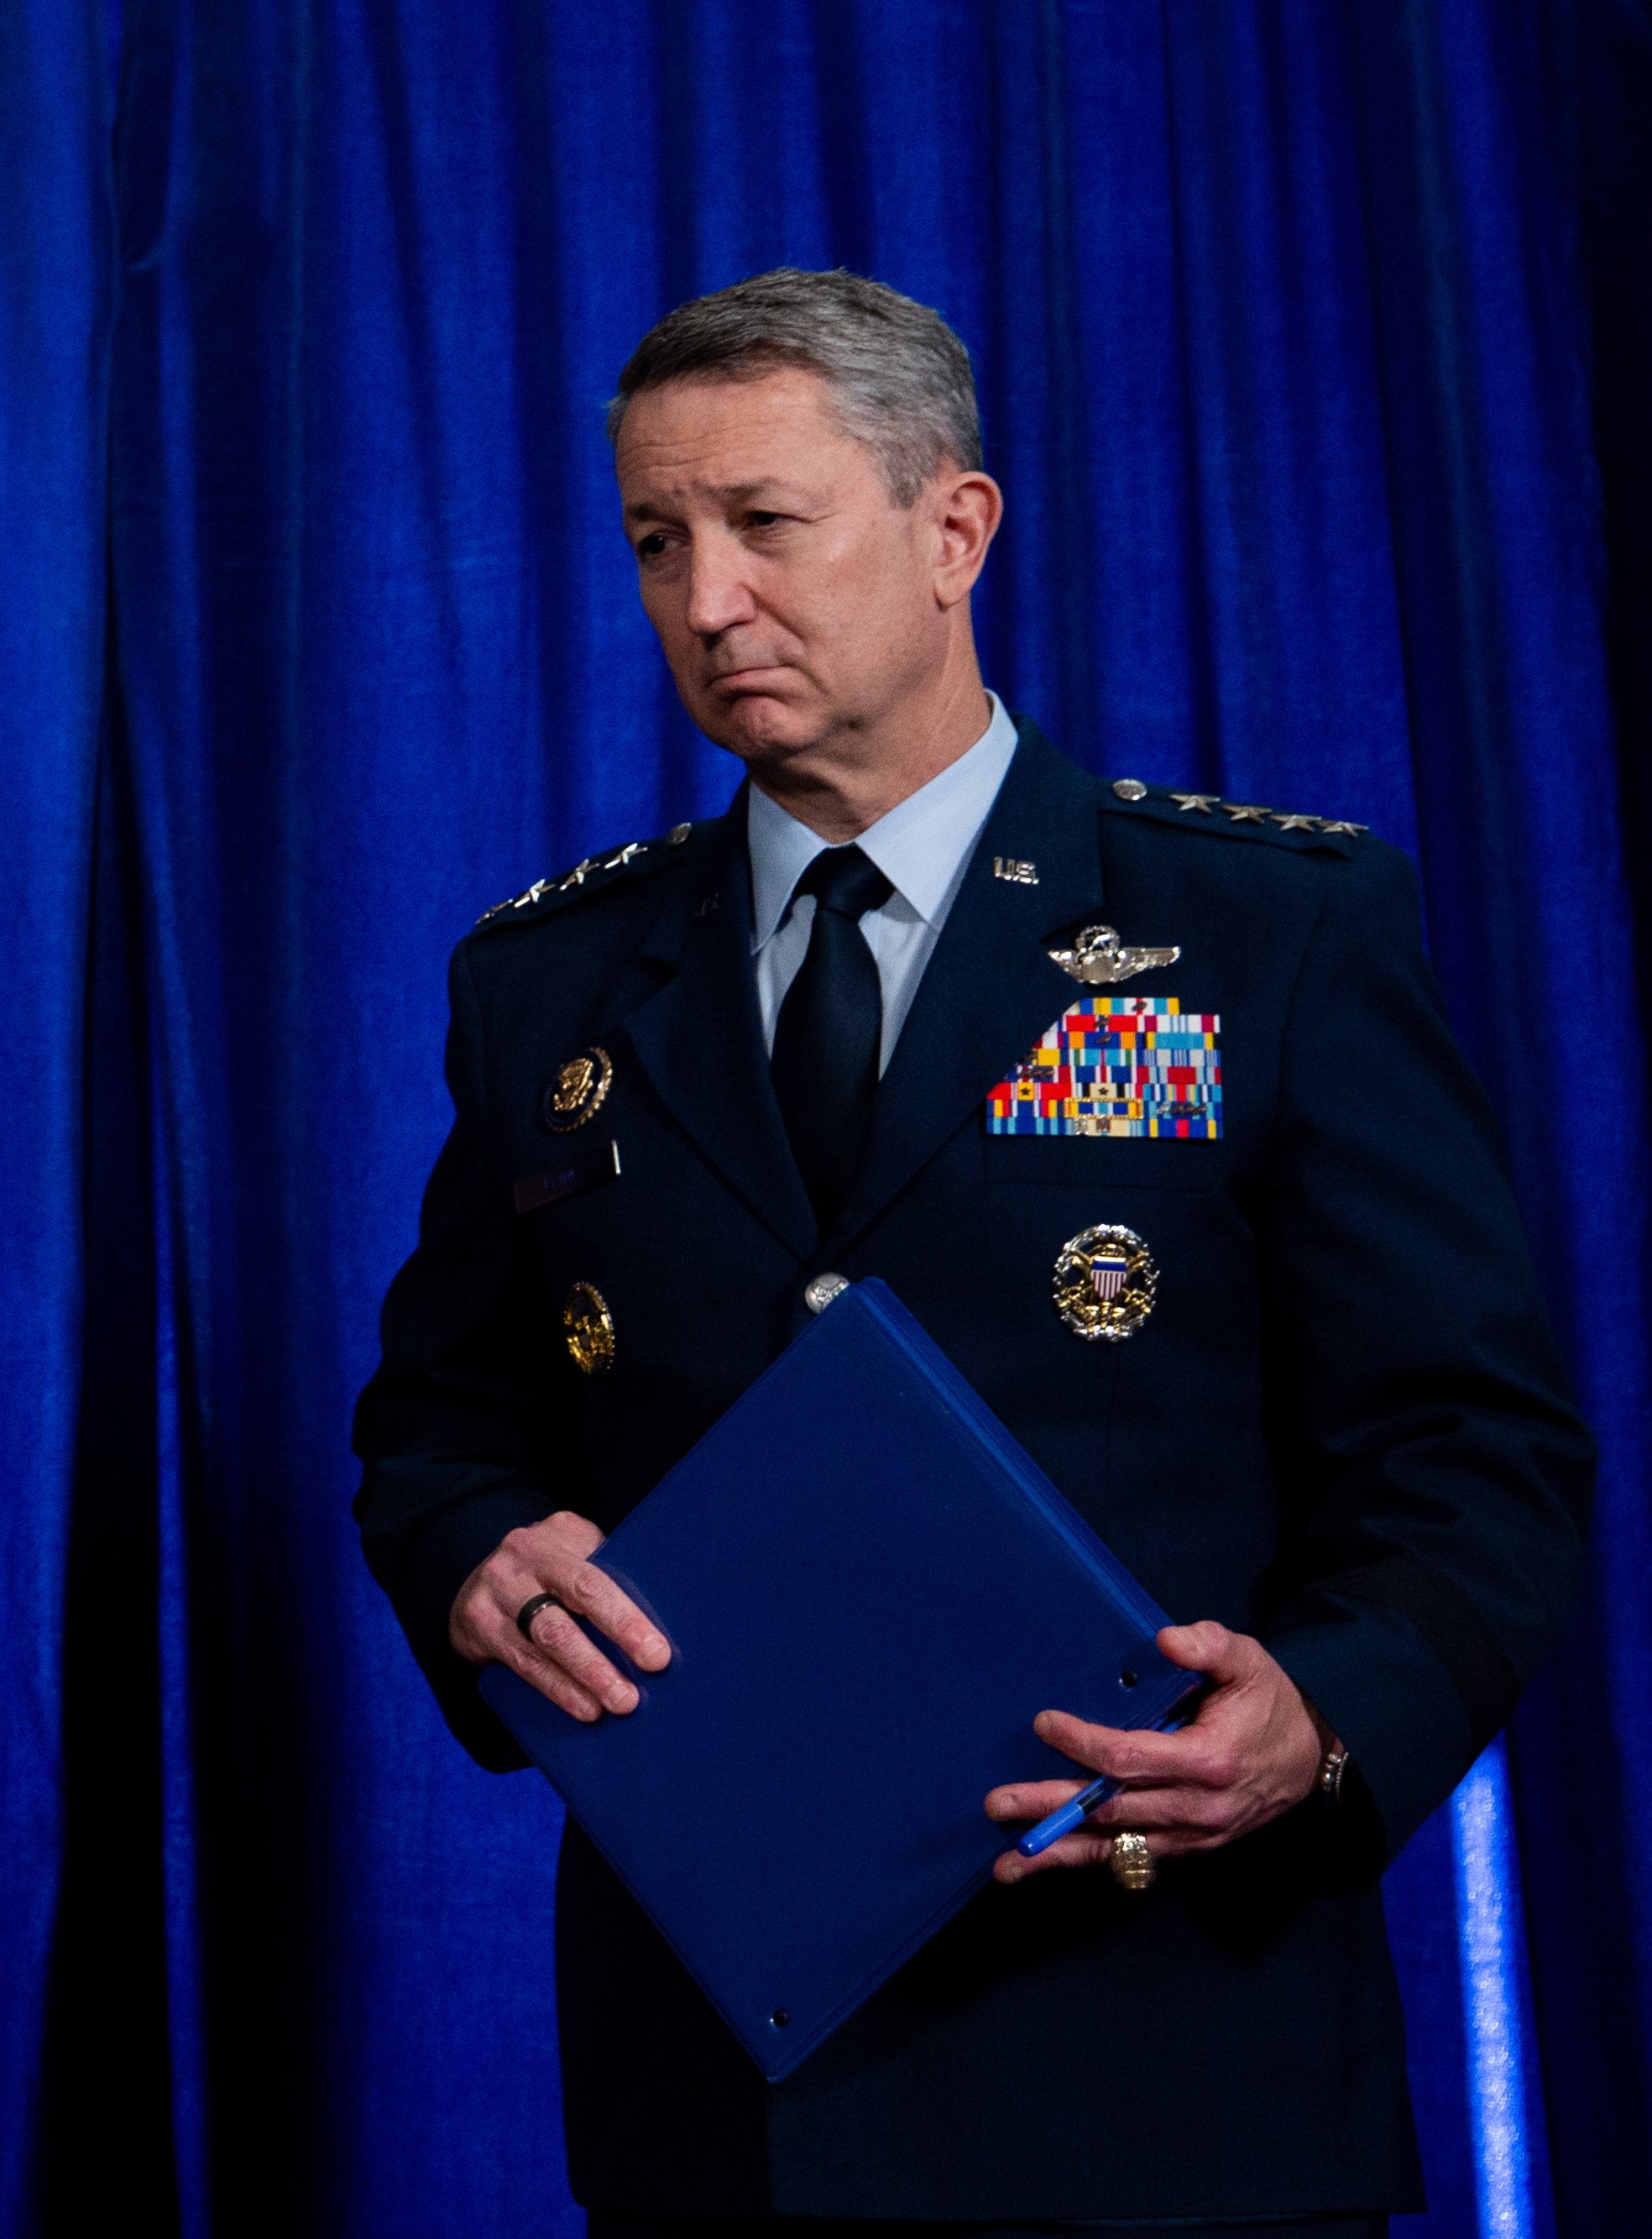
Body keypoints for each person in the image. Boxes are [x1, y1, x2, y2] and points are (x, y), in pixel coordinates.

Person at [351, 267, 1591, 2236]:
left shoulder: (1262, 932)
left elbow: (1472, 1448)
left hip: (1159, 2046)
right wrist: (473, 1555)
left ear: (952, 528)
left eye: (765, 523)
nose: (703, 601)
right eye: (655, 542)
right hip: (722, 2077)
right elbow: (438, 1423)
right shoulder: (552, 981)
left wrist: (1325, 1708)